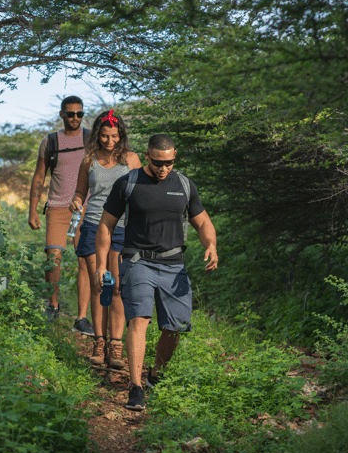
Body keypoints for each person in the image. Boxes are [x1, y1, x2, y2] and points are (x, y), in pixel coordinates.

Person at [95, 134, 218, 411]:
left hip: (174, 264)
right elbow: (106, 225)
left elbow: (202, 222)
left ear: (176, 157)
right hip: (138, 261)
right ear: (147, 156)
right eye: (158, 162)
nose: (163, 168)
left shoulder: (185, 185)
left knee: (175, 327)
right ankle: (135, 386)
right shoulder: (128, 183)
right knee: (140, 319)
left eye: (169, 163)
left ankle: (155, 374)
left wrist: (211, 245)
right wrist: (102, 265)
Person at [68, 110, 142, 369]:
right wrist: (76, 201)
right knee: (100, 287)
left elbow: (141, 193)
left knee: (118, 288)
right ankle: (98, 343)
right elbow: (80, 191)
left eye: (114, 136)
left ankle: (116, 345)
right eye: (104, 136)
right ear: (97, 135)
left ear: (121, 134)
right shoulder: (89, 159)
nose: (109, 141)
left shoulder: (131, 160)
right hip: (92, 225)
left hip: (122, 228)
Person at [28, 96, 93, 336]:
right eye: (70, 114)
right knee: (52, 257)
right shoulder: (50, 142)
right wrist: (32, 209)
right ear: (61, 114)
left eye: (78, 114)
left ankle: (82, 317)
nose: (74, 118)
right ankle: (53, 305)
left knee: (85, 261)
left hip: (86, 208)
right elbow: (39, 176)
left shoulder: (91, 139)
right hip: (57, 207)